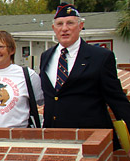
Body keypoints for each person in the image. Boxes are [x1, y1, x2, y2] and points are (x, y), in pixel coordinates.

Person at [40, 3, 130, 149]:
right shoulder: (46, 56)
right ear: (53, 28)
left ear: (80, 26)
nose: (64, 28)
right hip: (54, 137)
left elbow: (117, 99)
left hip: (90, 138)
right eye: (60, 24)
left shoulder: (100, 57)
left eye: (70, 23)